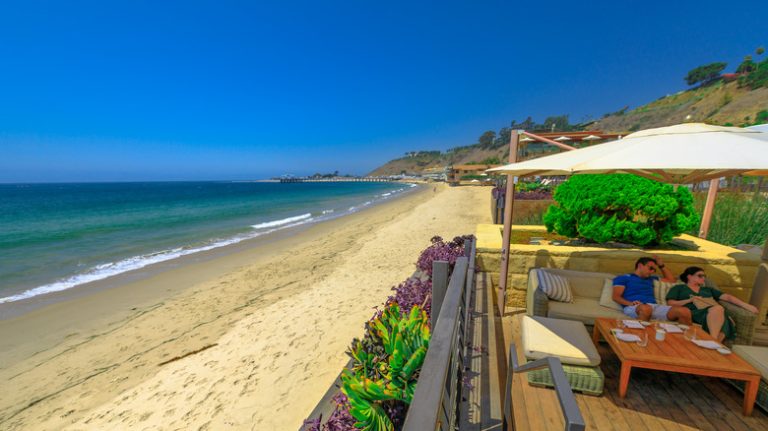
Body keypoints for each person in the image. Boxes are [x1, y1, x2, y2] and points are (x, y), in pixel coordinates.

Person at [665, 266, 758, 342]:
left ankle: (714, 343)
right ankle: (713, 340)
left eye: (704, 276)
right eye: (700, 276)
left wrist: (746, 305)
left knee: (719, 311)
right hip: (694, 313)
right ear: (689, 276)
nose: (703, 278)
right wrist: (689, 300)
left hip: (713, 313)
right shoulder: (679, 288)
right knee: (721, 313)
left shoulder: (707, 289)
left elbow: (728, 297)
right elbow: (671, 303)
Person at [612, 256, 692, 324]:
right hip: (635, 307)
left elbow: (671, 280)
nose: (652, 271)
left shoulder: (651, 278)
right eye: (650, 268)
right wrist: (630, 303)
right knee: (646, 308)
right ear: (640, 266)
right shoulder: (624, 278)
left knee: (684, 311)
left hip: (653, 306)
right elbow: (616, 297)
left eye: (654, 270)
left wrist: (661, 265)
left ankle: (685, 339)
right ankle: (639, 336)